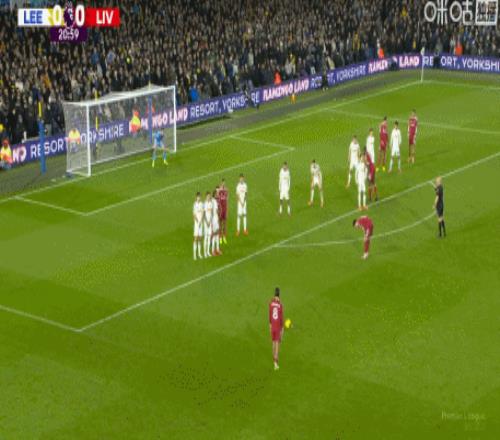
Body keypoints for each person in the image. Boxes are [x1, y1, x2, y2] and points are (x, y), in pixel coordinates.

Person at [269, 287, 284, 371]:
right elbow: (281, 319)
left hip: (272, 326)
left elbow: (270, 315)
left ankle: (273, 358)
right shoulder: (280, 305)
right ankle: (275, 363)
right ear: (279, 295)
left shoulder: (271, 303)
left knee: (273, 342)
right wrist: (282, 331)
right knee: (277, 344)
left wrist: (270, 326)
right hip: (278, 326)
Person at [193, 192, 204, 260]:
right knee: (195, 238)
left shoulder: (202, 204)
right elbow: (194, 215)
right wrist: (198, 222)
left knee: (200, 238)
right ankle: (194, 254)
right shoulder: (195, 204)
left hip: (201, 223)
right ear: (196, 197)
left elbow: (202, 213)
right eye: (198, 197)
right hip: (197, 224)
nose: (198, 198)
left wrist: (201, 221)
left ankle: (199, 254)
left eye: (199, 197)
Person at [217, 179, 229, 244]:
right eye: (222, 183)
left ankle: (224, 237)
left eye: (224, 183)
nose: (223, 184)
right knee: (220, 224)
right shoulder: (219, 190)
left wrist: (227, 210)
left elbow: (227, 201)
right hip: (221, 209)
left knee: (224, 224)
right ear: (221, 183)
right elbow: (218, 200)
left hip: (224, 209)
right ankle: (220, 237)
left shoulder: (226, 190)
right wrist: (219, 210)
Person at [211, 189, 222, 255]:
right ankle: (213, 251)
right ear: (214, 194)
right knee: (214, 234)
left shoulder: (215, 201)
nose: (217, 195)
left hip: (216, 218)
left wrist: (218, 217)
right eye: (217, 194)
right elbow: (212, 211)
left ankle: (217, 249)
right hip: (213, 220)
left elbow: (217, 210)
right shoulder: (212, 201)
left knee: (217, 234)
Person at [203, 192, 213, 257]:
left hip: (210, 222)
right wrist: (207, 221)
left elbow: (211, 213)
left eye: (209, 196)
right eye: (207, 196)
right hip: (206, 223)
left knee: (209, 237)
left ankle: (208, 252)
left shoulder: (211, 203)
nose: (208, 197)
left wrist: (210, 221)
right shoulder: (204, 204)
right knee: (206, 237)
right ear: (206, 197)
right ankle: (205, 252)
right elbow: (204, 214)